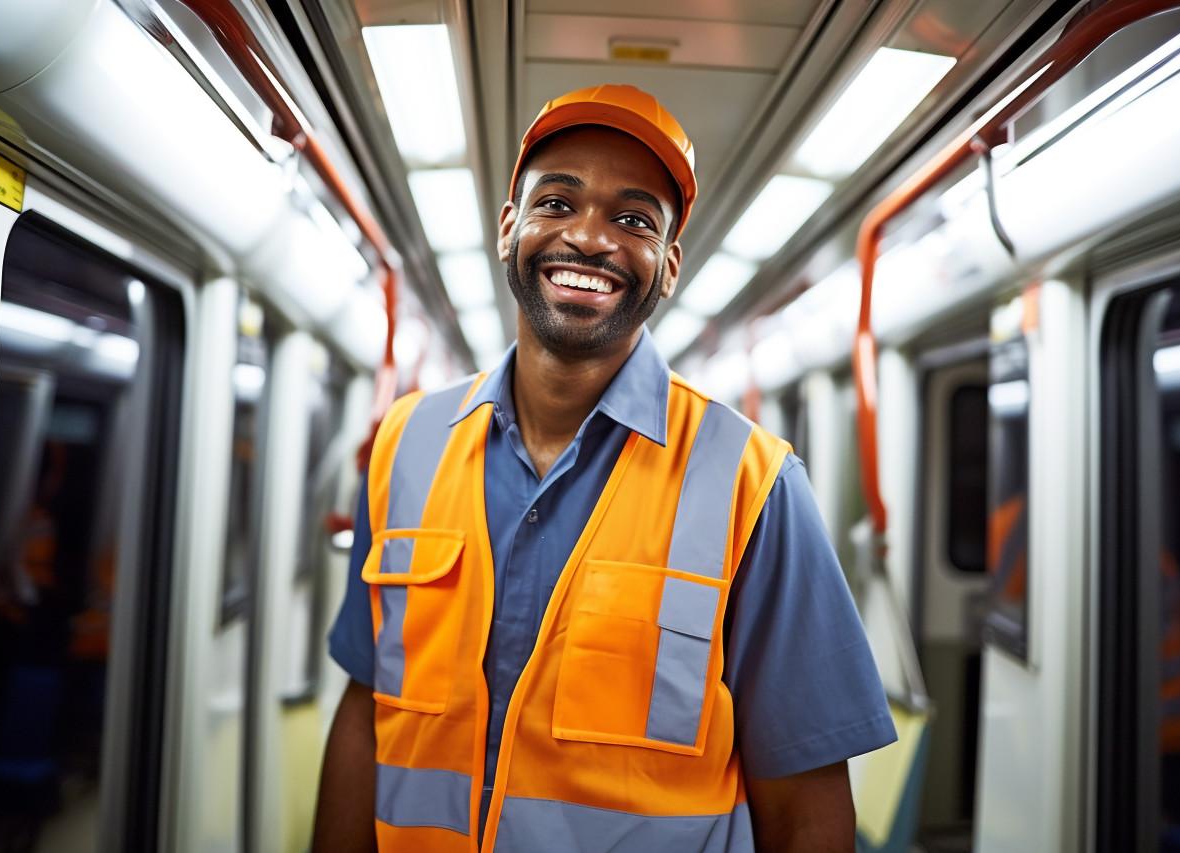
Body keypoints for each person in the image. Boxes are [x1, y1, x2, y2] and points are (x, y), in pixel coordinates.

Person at [312, 84, 896, 852]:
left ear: (670, 265)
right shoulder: (404, 443)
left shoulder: (755, 483)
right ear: (508, 227)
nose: (589, 239)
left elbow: (805, 802)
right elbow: (365, 712)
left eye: (632, 219)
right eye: (557, 203)